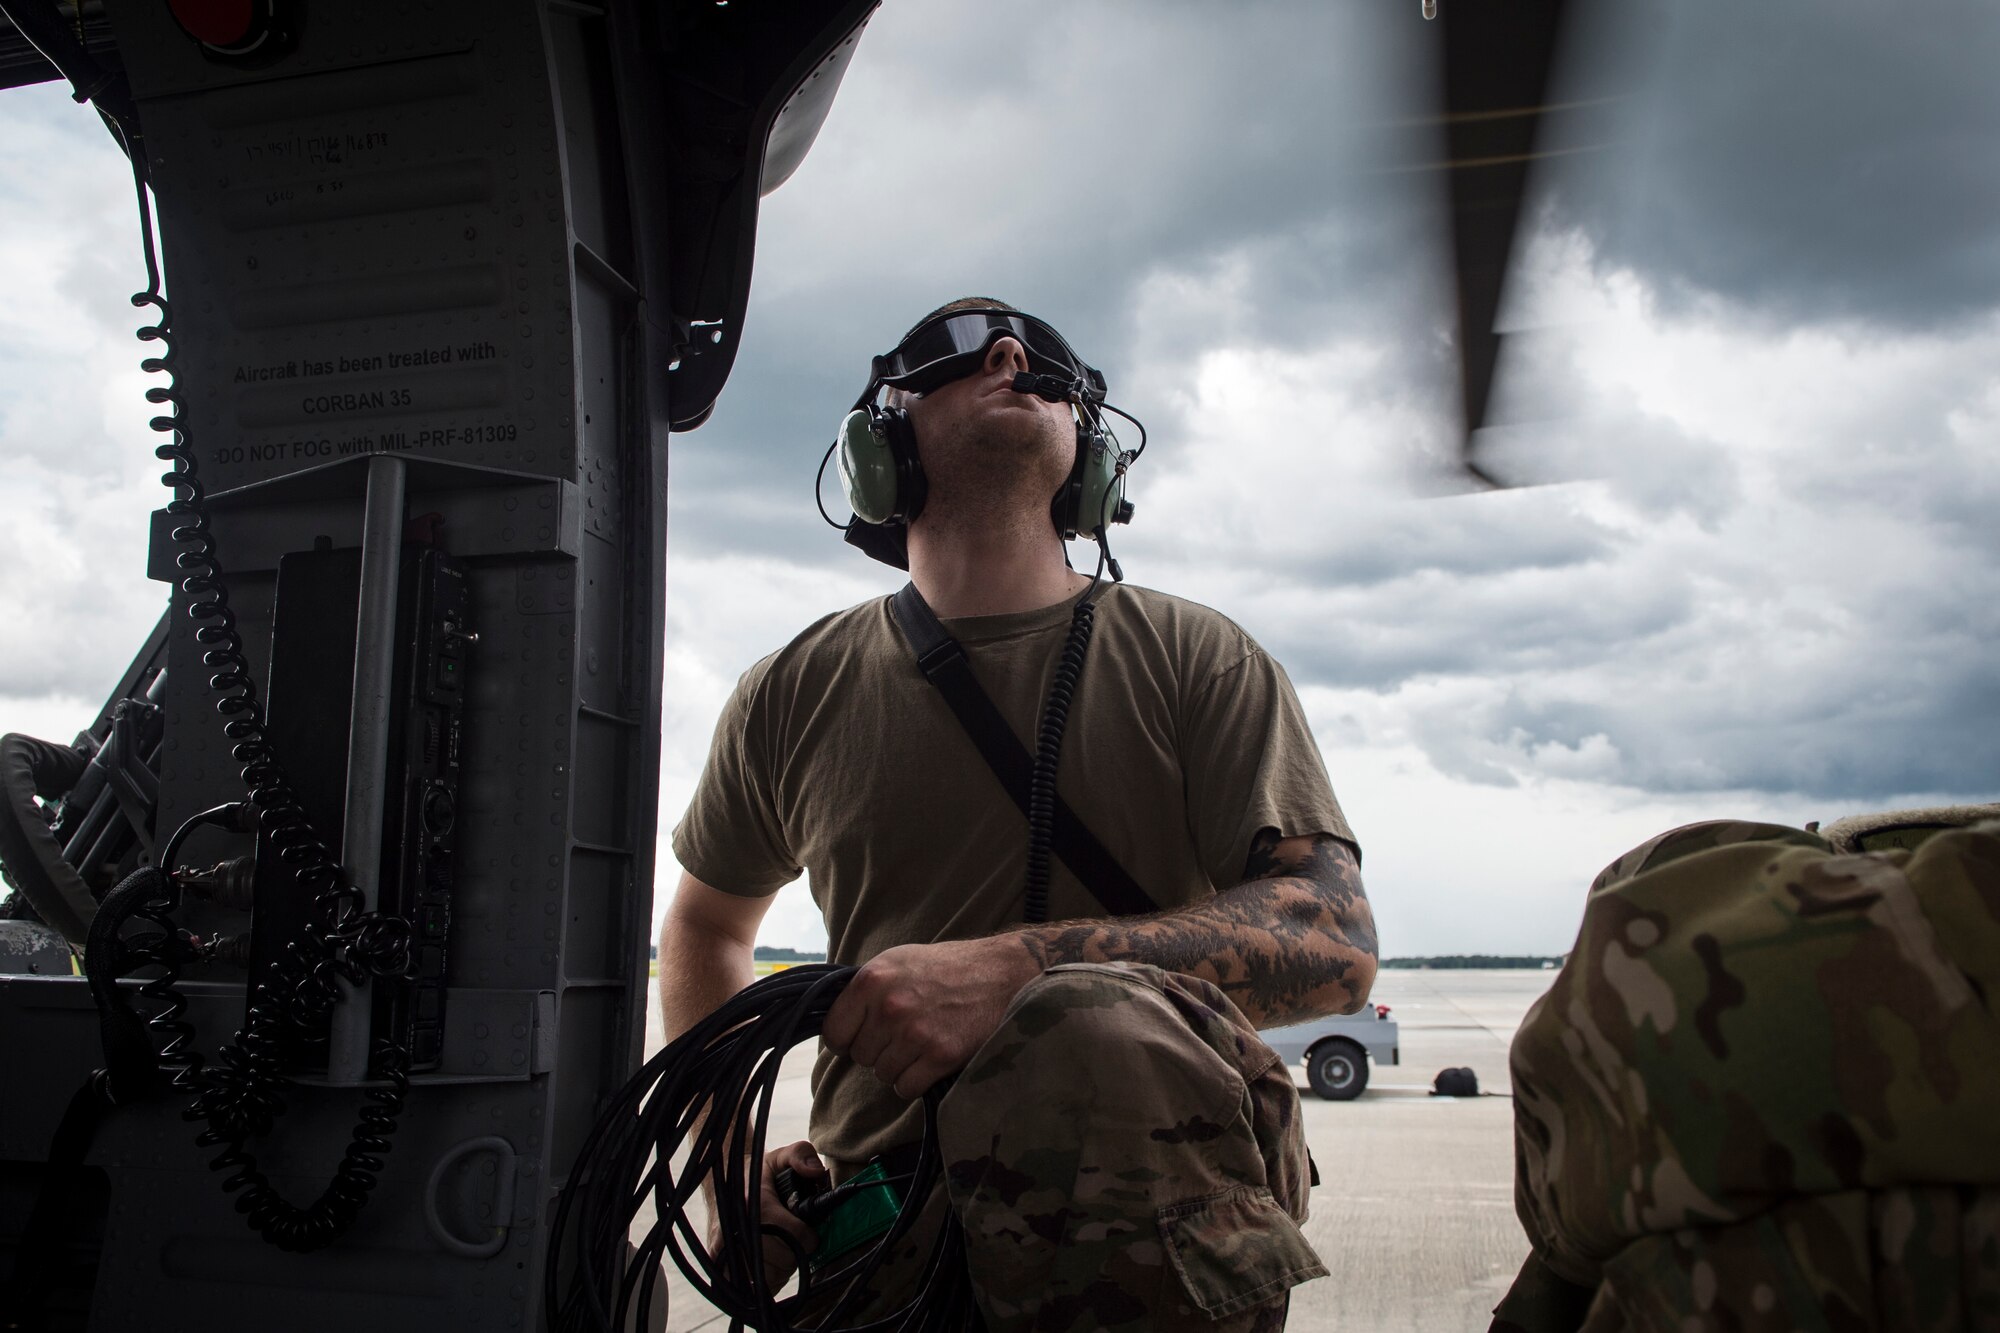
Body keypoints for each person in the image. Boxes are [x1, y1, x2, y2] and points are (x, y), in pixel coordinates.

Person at [660, 298, 1380, 1331]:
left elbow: (1336, 940)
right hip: (878, 1237)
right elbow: (704, 926)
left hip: (1144, 1221)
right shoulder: (790, 690)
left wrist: (1015, 969)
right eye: (960, 351)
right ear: (878, 447)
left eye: (1046, 363)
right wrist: (727, 1155)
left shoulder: (1198, 658)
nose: (1010, 355)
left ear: (1090, 458)